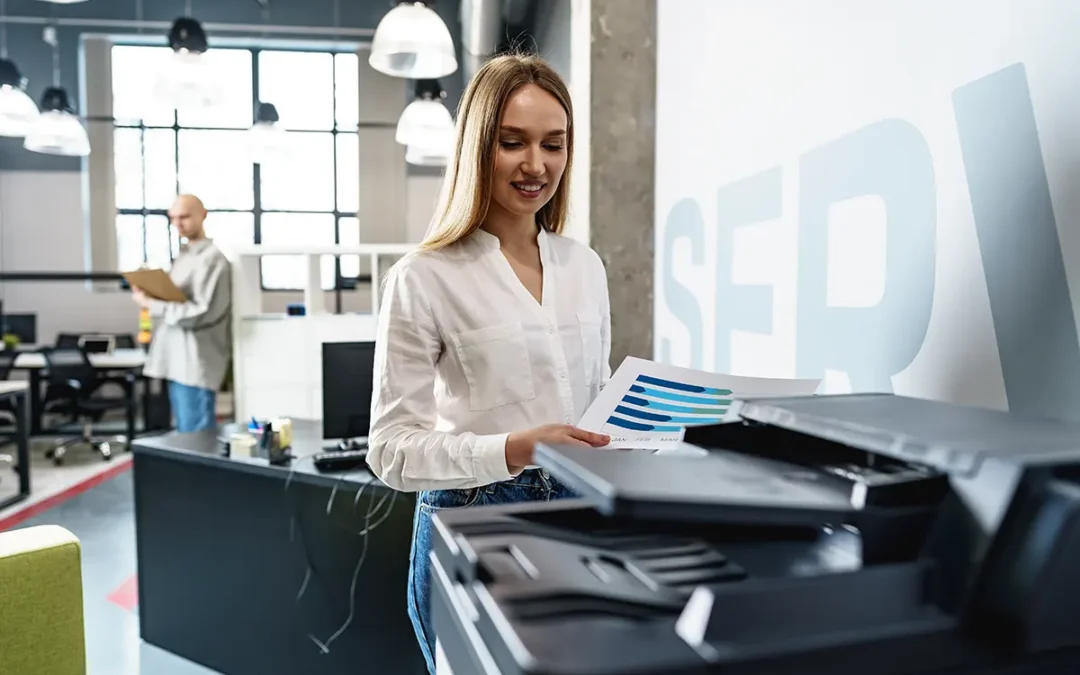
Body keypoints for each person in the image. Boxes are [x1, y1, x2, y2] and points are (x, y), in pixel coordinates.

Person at [366, 53, 612, 674]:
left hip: (580, 518)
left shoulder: (585, 267)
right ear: (478, 148)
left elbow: (595, 395)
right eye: (513, 143)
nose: (536, 165)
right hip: (475, 521)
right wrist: (512, 448)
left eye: (553, 145)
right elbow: (391, 450)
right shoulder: (422, 278)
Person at [133, 194, 231, 433]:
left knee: (196, 436)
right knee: (185, 435)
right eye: (173, 218)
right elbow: (177, 300)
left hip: (195, 362)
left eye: (184, 216)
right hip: (176, 359)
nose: (178, 223)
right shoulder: (185, 256)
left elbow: (199, 312)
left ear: (203, 215)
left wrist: (150, 304)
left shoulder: (213, 260)